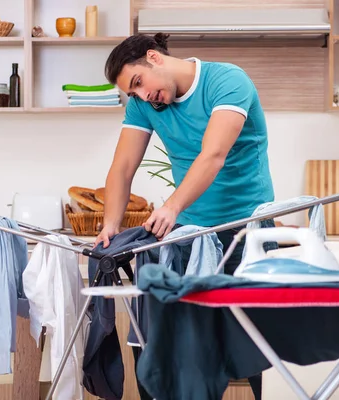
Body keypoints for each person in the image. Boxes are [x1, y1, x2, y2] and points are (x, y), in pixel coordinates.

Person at [94, 32, 277, 400]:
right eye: (134, 93)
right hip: (189, 239)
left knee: (256, 346)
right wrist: (111, 222)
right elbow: (123, 167)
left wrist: (171, 206)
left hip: (246, 231)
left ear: (154, 58)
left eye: (139, 83)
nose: (143, 96)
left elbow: (213, 155)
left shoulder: (227, 81)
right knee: (160, 340)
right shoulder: (144, 105)